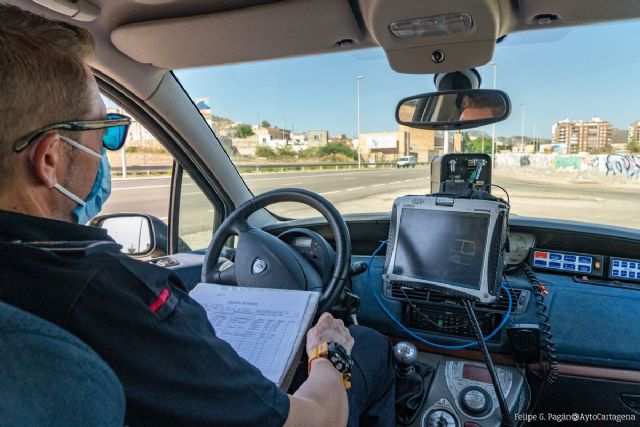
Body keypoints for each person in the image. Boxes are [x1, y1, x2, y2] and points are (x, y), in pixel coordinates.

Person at [0, 4, 395, 426]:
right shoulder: (104, 294)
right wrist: (328, 353)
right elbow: (314, 421)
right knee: (368, 345)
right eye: (107, 131)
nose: (106, 150)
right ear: (50, 158)